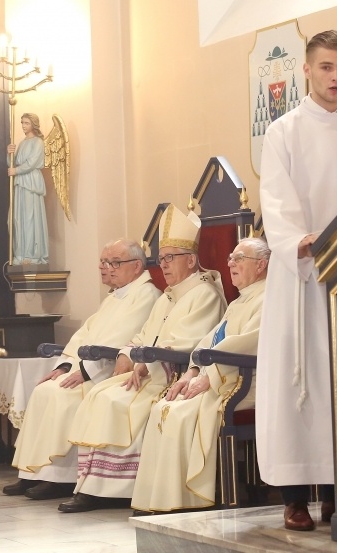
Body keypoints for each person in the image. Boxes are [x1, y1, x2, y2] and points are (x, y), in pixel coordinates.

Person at [256, 30, 337, 532]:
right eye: (327, 68)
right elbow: (277, 200)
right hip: (304, 278)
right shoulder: (284, 132)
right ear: (307, 71)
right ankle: (294, 497)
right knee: (303, 383)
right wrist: (300, 243)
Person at [59, 204, 227, 513]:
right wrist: (129, 354)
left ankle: (118, 488)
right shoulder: (168, 295)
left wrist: (143, 362)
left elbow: (187, 344)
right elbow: (142, 336)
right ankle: (91, 486)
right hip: (147, 371)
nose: (163, 265)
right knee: (97, 393)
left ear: (191, 260)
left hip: (170, 376)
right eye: (161, 258)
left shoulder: (205, 294)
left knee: (112, 401)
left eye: (170, 258)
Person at [3, 239, 161, 499]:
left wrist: (85, 372)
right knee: (45, 390)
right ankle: (32, 473)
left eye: (114, 263)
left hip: (107, 371)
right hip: (88, 366)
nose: (105, 267)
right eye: (103, 262)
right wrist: (65, 365)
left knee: (60, 395)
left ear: (136, 266)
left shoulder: (145, 295)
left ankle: (60, 478)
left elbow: (119, 341)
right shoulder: (115, 296)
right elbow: (85, 333)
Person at [131, 237, 269, 514]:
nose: (231, 263)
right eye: (230, 257)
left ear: (262, 265)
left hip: (246, 383)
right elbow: (211, 340)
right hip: (221, 377)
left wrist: (210, 376)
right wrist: (191, 372)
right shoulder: (241, 300)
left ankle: (187, 498)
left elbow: (247, 345)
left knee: (180, 413)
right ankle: (159, 498)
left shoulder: (268, 299)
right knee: (163, 407)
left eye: (239, 258)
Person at [7, 113, 48, 265]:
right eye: (22, 122)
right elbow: (14, 164)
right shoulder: (23, 142)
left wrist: (16, 171)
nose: (23, 126)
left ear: (33, 124)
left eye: (26, 123)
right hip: (20, 183)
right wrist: (9, 153)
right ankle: (20, 252)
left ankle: (31, 254)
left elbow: (31, 163)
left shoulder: (38, 142)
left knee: (30, 218)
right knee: (18, 218)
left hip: (31, 182)